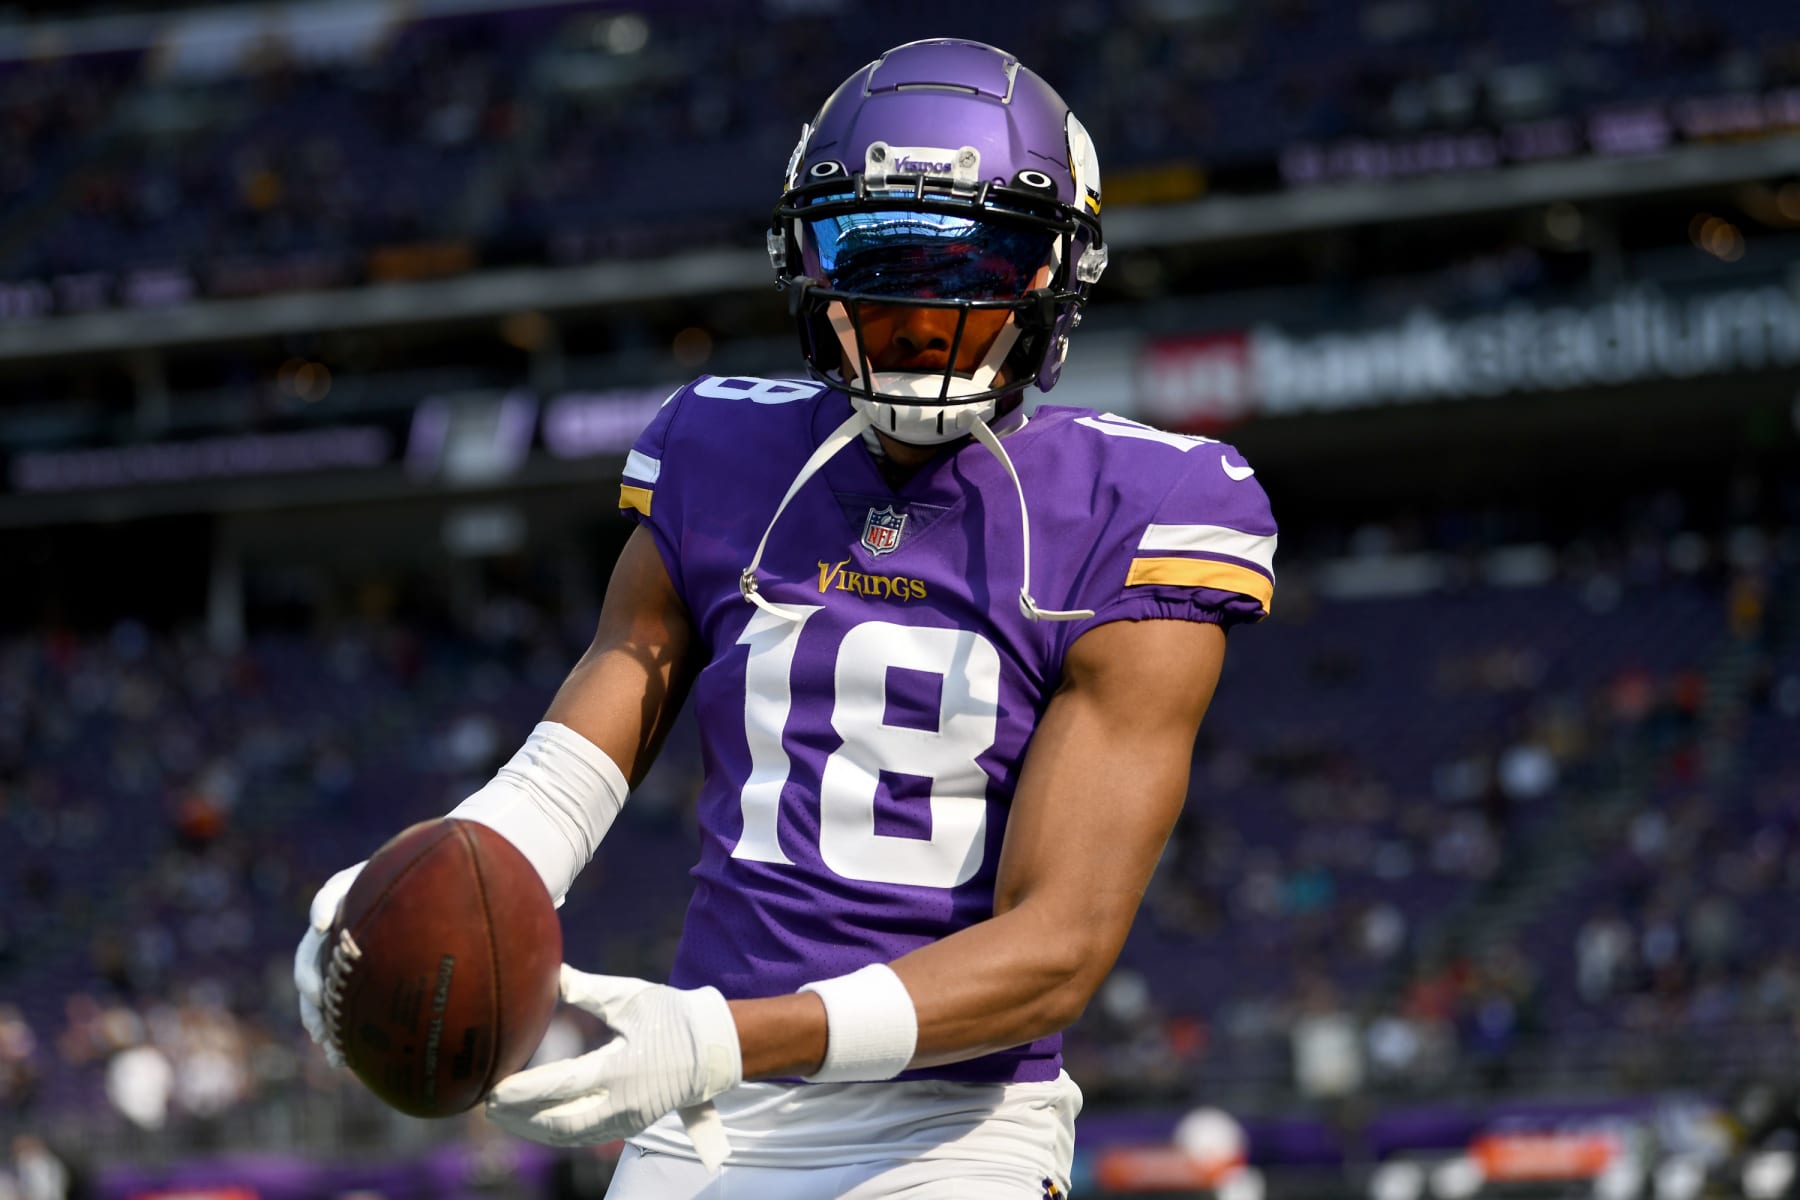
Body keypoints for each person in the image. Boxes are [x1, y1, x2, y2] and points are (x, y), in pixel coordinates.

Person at [295, 38, 1276, 1199]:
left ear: (1058, 271)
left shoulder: (1141, 506)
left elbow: (1057, 951)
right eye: (878, 257)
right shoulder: (725, 448)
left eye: (973, 261)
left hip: (949, 1135)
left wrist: (722, 1036)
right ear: (806, 262)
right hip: (705, 1119)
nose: (925, 313)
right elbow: (596, 725)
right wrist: (432, 885)